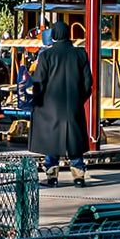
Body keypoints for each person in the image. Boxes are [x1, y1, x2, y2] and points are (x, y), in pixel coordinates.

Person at [28, 21, 94, 187]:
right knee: (74, 141)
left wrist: (38, 101)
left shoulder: (46, 56)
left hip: (51, 107)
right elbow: (88, 83)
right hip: (73, 106)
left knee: (52, 140)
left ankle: (52, 177)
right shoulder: (80, 54)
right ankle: (79, 176)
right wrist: (79, 99)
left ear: (54, 35)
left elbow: (39, 83)